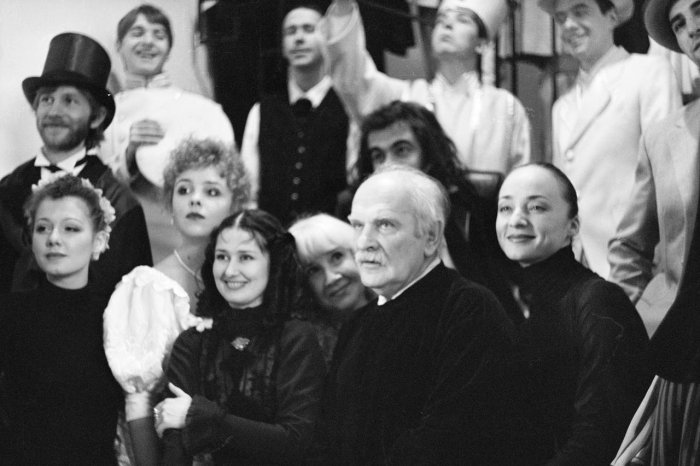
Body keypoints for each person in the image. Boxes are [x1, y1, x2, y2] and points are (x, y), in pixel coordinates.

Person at [320, 166, 515, 464]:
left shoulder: (471, 309)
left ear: (431, 236)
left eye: (384, 225)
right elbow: (326, 440)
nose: (364, 242)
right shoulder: (355, 324)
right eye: (357, 226)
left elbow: (451, 438)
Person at [103, 138, 249, 465]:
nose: (195, 199)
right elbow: (137, 402)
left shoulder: (247, 281)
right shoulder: (148, 288)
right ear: (170, 204)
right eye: (184, 190)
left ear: (235, 207)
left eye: (211, 192)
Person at [496, 163, 650, 465]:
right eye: (505, 208)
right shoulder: (514, 302)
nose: (516, 220)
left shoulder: (597, 300)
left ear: (573, 227)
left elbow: (599, 435)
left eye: (537, 207)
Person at [155, 209, 326, 464]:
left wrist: (202, 417)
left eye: (245, 257)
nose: (230, 270)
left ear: (274, 263)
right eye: (222, 257)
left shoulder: (296, 337)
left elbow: (296, 441)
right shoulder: (193, 342)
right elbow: (175, 449)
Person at [610, 1, 700, 464]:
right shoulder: (665, 134)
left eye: (699, 10)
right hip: (683, 362)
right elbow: (628, 245)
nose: (692, 28)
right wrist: (641, 325)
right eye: (679, 24)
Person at [0, 32, 151, 294]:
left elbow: (136, 299)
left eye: (69, 101)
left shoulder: (120, 202)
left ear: (97, 117)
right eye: (46, 99)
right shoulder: (7, 189)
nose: (54, 111)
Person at [538, 0, 680, 277]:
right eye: (561, 18)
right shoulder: (562, 106)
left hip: (633, 259)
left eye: (580, 12)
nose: (569, 25)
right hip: (576, 262)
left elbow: (665, 173)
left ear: (612, 17)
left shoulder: (648, 72)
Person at [343, 100, 522, 322]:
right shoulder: (356, 211)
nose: (388, 165)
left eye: (401, 150)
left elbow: (516, 279)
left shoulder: (475, 199)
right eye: (378, 156)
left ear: (428, 155)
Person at [324, 0, 532, 174]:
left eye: (462, 20)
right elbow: (352, 79)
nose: (447, 25)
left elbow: (520, 178)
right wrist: (343, 8)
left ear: (482, 43)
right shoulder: (404, 96)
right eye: (441, 20)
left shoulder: (505, 106)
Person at [0, 174, 123, 464]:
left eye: (70, 228)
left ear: (99, 240)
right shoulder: (9, 313)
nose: (53, 238)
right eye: (42, 228)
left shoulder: (118, 315)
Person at [101, 4, 235, 262]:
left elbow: (225, 176)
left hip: (180, 231)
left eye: (159, 35)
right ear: (119, 45)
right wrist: (130, 153)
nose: (148, 42)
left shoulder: (200, 109)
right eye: (137, 33)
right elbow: (98, 183)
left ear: (169, 48)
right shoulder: (105, 114)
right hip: (124, 229)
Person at [241, 2, 350, 225]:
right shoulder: (261, 111)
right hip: (272, 235)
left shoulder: (347, 108)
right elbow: (248, 191)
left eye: (309, 29)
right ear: (282, 46)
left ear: (327, 38)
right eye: (291, 32)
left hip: (330, 236)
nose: (298, 38)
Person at [289, 213, 373, 363]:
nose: (331, 278)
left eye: (336, 257)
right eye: (313, 270)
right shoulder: (308, 353)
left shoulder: (404, 315)